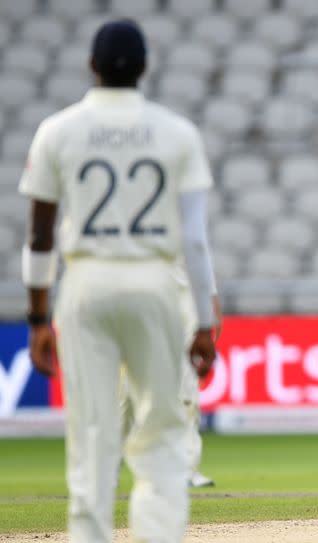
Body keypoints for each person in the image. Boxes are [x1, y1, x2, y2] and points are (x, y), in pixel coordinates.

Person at [20, 19, 216, 542]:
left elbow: (39, 237)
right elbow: (194, 240)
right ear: (146, 67)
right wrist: (205, 321)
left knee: (91, 434)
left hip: (86, 285)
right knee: (162, 433)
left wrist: (37, 318)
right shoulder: (176, 132)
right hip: (154, 284)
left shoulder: (57, 130)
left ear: (92, 66)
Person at [119, 277, 222, 489]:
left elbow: (197, 252)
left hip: (183, 307)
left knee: (186, 393)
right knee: (126, 393)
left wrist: (211, 301)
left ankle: (186, 469)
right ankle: (106, 466)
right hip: (139, 300)